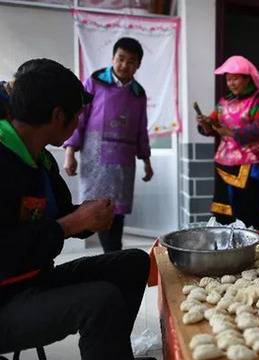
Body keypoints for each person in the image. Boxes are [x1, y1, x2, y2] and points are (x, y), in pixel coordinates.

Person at [0, 60, 153, 360]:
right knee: (100, 301)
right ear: (59, 116)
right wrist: (70, 225)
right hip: (5, 298)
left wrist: (88, 216)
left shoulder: (41, 159)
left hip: (34, 278)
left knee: (134, 262)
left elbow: (57, 215)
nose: (79, 124)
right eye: (78, 116)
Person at [63, 37, 153, 253]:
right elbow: (80, 118)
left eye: (131, 61)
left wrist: (147, 161)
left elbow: (142, 129)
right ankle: (110, 255)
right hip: (96, 161)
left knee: (116, 212)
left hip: (123, 162)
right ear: (113, 58)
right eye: (120, 59)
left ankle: (112, 254)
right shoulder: (94, 82)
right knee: (95, 208)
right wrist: (70, 151)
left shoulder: (138, 94)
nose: (124, 65)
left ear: (138, 65)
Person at [196, 55, 259, 228]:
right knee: (224, 210)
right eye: (228, 79)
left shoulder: (258, 100)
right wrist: (205, 124)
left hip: (248, 164)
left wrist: (231, 132)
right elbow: (213, 125)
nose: (231, 83)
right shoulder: (224, 102)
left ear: (247, 79)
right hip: (223, 162)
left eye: (235, 79)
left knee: (246, 208)